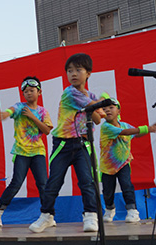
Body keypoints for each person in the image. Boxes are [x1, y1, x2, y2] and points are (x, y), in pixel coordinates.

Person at [29, 53, 105, 233]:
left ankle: (90, 215)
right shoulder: (69, 92)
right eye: (69, 70)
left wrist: (97, 106)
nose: (73, 74)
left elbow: (96, 119)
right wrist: (98, 105)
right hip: (63, 144)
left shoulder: (91, 95)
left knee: (87, 181)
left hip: (83, 144)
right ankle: (46, 216)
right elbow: (96, 111)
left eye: (78, 70)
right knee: (54, 182)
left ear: (88, 74)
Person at [0, 77, 53, 227]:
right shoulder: (20, 107)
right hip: (22, 151)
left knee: (43, 184)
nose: (29, 93)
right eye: (26, 91)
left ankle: (47, 216)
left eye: (32, 90)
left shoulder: (43, 111)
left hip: (38, 151)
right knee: (17, 183)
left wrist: (32, 117)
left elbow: (47, 130)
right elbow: (12, 109)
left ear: (39, 92)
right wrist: (6, 113)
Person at [100, 97, 156, 223]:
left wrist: (149, 129)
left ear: (118, 111)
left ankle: (132, 210)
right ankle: (109, 208)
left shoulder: (124, 124)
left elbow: (135, 133)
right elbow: (127, 132)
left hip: (123, 163)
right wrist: (147, 128)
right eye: (104, 109)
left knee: (127, 186)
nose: (108, 110)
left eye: (111, 108)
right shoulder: (106, 127)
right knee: (108, 191)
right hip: (108, 167)